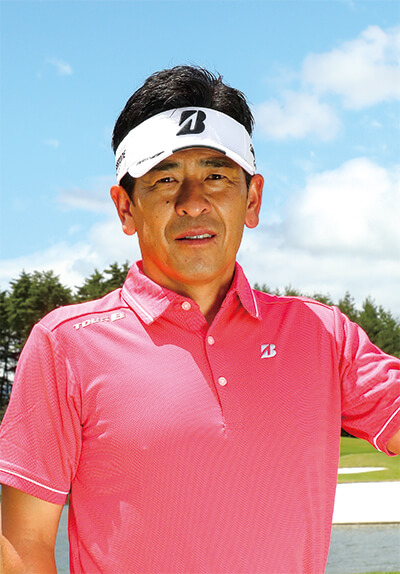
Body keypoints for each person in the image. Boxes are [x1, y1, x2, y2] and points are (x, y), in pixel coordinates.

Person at [0, 65, 399, 574]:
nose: (193, 203)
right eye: (166, 179)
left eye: (216, 176)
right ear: (126, 208)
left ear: (252, 198)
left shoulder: (324, 335)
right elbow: (24, 544)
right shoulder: (65, 346)